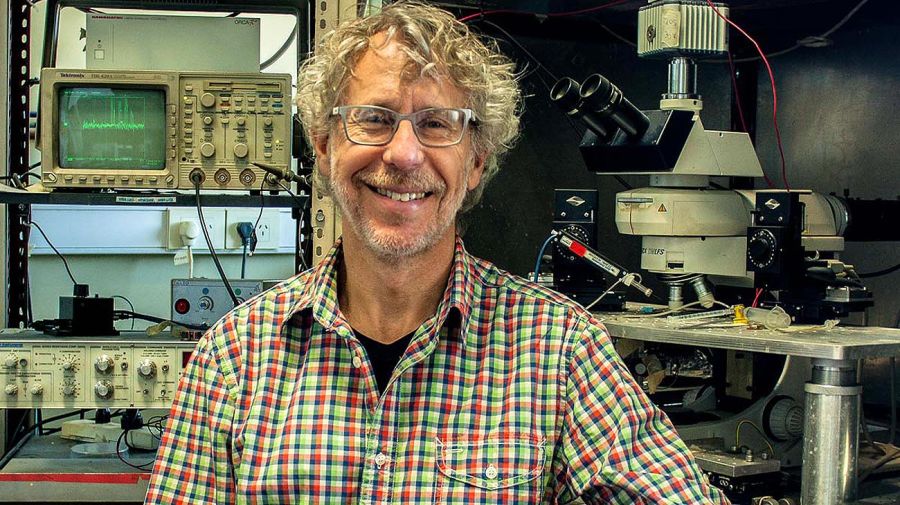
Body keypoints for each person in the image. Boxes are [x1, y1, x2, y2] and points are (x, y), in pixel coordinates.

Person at [145, 2, 729, 503]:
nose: (403, 154)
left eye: (437, 124)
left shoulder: (561, 352)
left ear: (476, 162)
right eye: (373, 119)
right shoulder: (234, 359)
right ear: (324, 147)